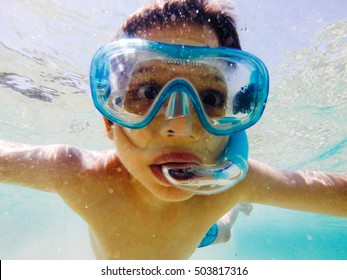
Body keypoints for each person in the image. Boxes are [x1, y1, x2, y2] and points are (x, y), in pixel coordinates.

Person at [0, 0, 346, 260]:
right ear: (110, 119)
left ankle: (227, 218)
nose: (181, 127)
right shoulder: (74, 172)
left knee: (220, 230)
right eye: (149, 92)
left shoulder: (233, 183)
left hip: (207, 227)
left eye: (209, 97)